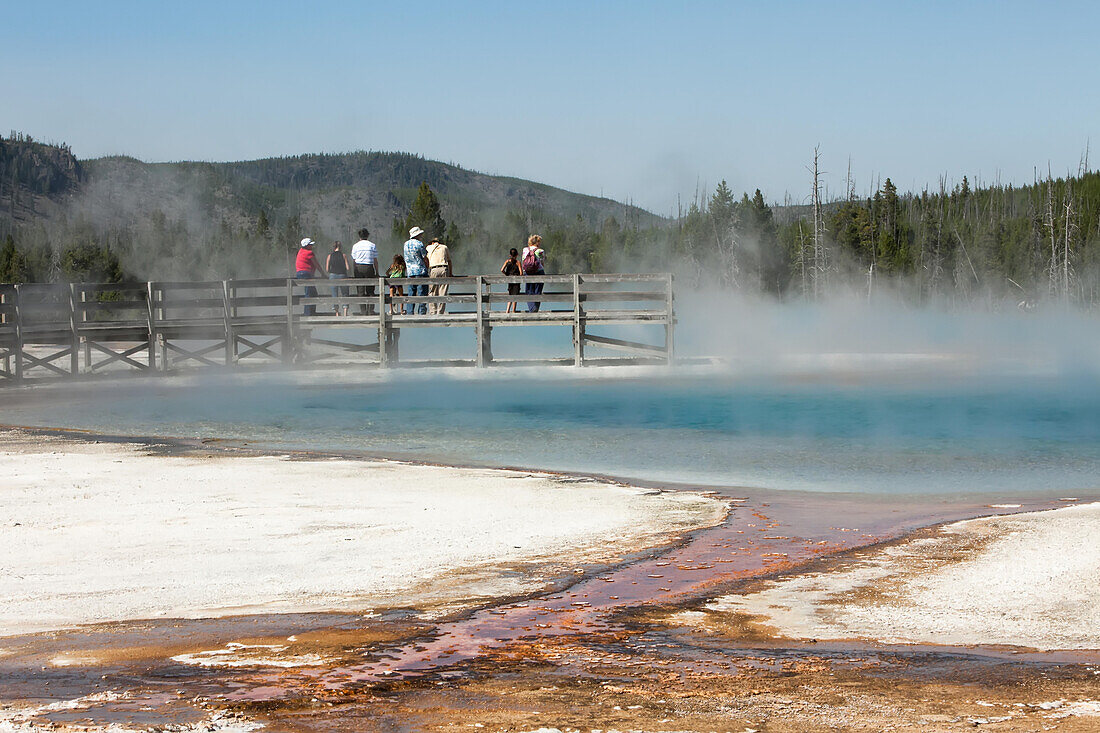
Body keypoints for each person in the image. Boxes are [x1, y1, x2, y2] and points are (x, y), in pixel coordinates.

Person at [350, 227, 378, 316]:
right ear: (368, 235)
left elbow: (354, 260)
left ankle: (363, 311)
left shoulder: (355, 246)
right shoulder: (372, 245)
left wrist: (354, 270)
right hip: (369, 267)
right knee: (370, 290)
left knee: (360, 290)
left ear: (359, 236)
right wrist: (376, 272)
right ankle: (370, 310)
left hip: (358, 267)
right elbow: (375, 260)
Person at [295, 237, 325, 316]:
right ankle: (308, 314)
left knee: (311, 292)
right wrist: (323, 274)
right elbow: (316, 264)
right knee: (309, 293)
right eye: (310, 245)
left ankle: (310, 312)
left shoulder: (300, 251)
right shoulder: (309, 253)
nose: (311, 246)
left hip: (300, 273)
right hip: (306, 273)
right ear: (306, 246)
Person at [402, 226, 429, 315]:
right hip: (420, 270)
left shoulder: (406, 244)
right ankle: (421, 312)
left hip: (410, 271)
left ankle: (410, 312)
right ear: (417, 235)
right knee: (422, 293)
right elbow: (424, 257)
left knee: (411, 293)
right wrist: (427, 267)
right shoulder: (419, 244)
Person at [384, 255, 405, 358]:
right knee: (401, 297)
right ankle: (401, 310)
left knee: (391, 296)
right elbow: (404, 274)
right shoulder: (402, 266)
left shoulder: (393, 265)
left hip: (391, 281)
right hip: (399, 282)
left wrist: (389, 275)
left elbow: (387, 273)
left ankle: (391, 310)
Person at [426, 236, 452, 315]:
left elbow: (426, 260)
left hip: (434, 269)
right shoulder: (444, 247)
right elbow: (449, 261)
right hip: (444, 268)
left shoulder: (428, 248)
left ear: (432, 242)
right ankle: (440, 312)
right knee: (443, 291)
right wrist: (450, 273)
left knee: (432, 291)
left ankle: (433, 311)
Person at [522, 234, 546, 313]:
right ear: (537, 243)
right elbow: (542, 263)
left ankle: (532, 308)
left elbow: (523, 261)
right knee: (538, 291)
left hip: (528, 272)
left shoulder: (525, 250)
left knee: (529, 291)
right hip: (539, 272)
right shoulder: (540, 251)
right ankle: (535, 308)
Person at [326, 241, 350, 316]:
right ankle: (345, 312)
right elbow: (348, 268)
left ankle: (337, 312)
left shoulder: (329, 256)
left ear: (334, 247)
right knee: (345, 293)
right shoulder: (343, 255)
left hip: (333, 275)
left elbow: (327, 269)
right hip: (342, 275)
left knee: (334, 294)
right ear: (341, 247)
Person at [500, 247, 522, 313]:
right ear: (517, 255)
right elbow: (521, 273)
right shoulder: (518, 262)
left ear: (510, 255)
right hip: (516, 280)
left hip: (510, 280)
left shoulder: (507, 262)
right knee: (515, 296)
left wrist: (507, 274)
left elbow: (502, 270)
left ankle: (507, 311)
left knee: (510, 294)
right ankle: (513, 311)